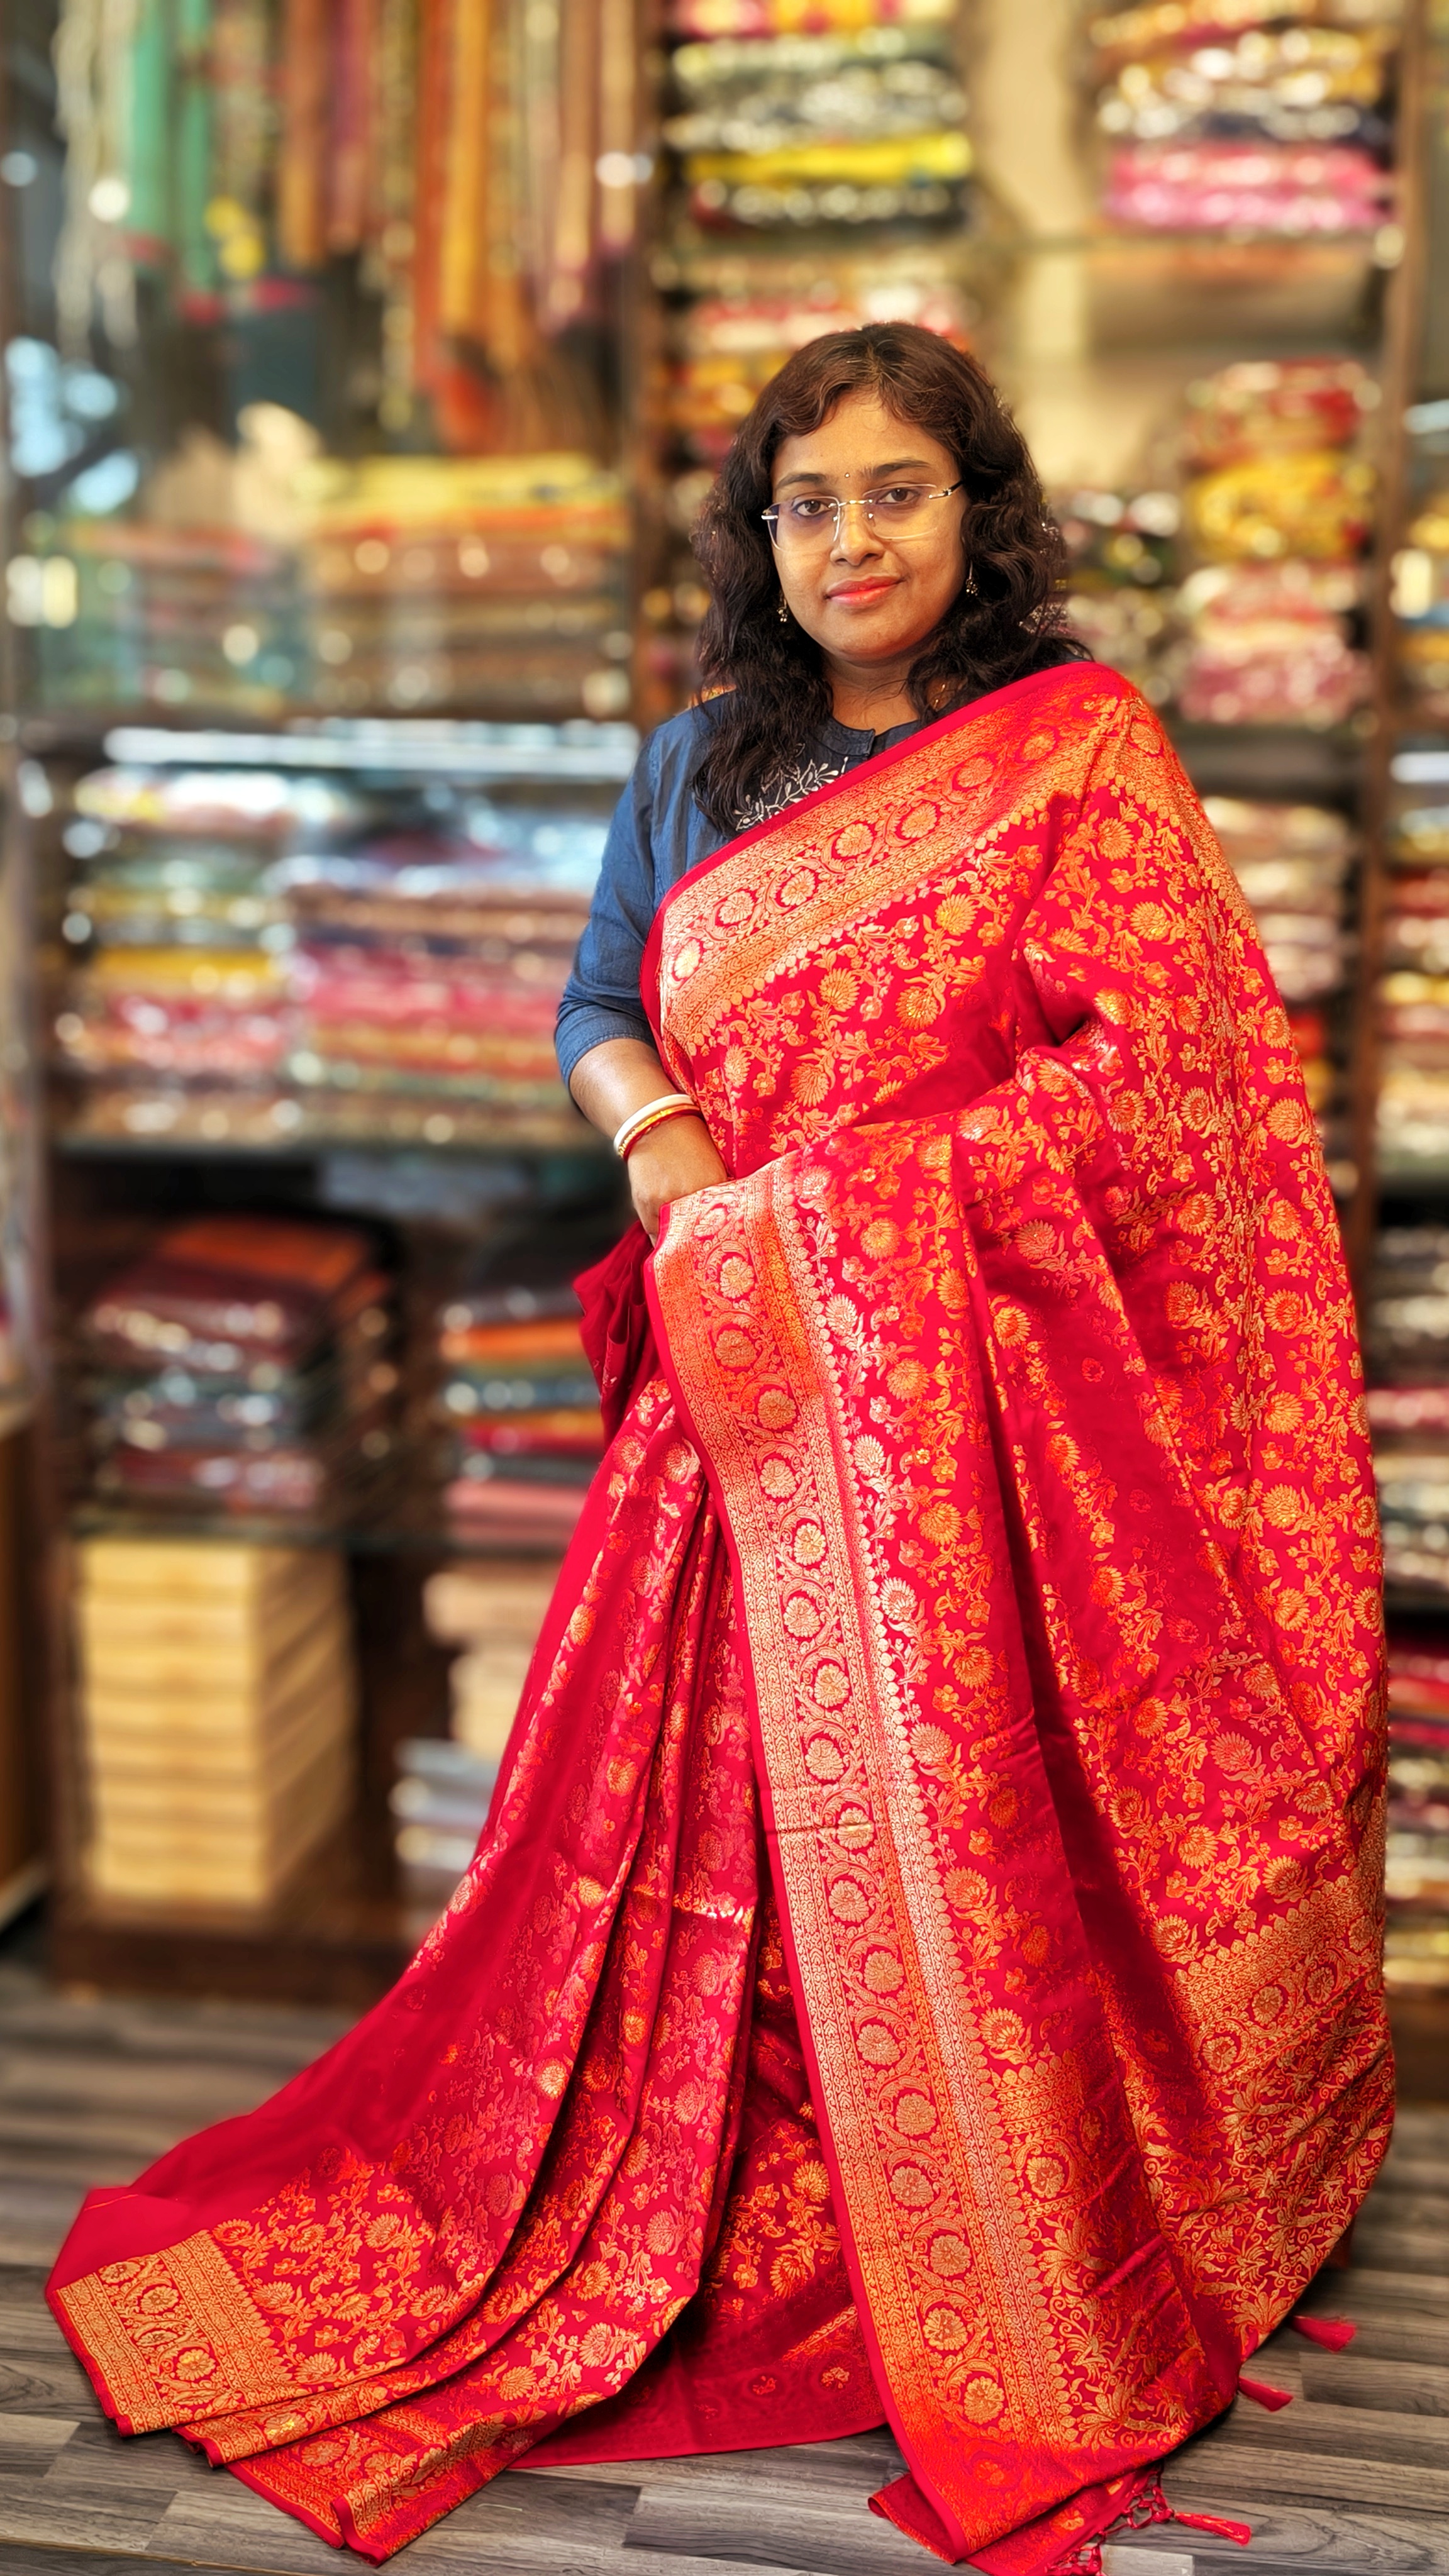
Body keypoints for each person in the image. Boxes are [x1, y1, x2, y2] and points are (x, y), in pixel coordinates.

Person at [48, 325, 1390, 2571]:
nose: (850, 541)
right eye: (807, 503)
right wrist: (664, 1135)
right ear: (760, 533)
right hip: (750, 1400)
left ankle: (994, 2228)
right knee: (708, 1847)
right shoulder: (697, 763)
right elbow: (595, 1001)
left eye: (895, 493)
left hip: (997, 1430)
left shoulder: (1071, 752)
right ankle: (762, 2179)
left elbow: (1178, 1072)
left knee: (976, 1822)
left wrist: (885, 1203)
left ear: (976, 509)